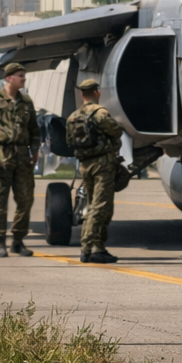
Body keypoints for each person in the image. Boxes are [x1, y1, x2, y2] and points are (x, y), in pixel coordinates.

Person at [0, 62, 39, 257]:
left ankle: (18, 240)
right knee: (0, 201)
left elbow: (34, 129)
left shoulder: (26, 101)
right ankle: (0, 242)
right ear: (9, 78)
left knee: (25, 200)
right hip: (2, 156)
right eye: (20, 75)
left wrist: (35, 150)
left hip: (22, 157)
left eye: (24, 75)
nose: (24, 78)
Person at [66, 78, 124, 264]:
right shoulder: (100, 114)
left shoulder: (73, 117)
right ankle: (87, 247)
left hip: (85, 165)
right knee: (100, 206)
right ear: (97, 92)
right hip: (102, 165)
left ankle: (98, 247)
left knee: (94, 205)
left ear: (82, 94)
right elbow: (116, 131)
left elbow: (69, 141)